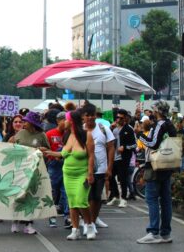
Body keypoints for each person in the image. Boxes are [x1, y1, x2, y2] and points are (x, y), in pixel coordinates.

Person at [45, 111, 95, 240]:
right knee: (72, 202)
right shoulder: (67, 135)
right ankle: (75, 229)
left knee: (81, 201)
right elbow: (62, 154)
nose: (64, 122)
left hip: (82, 174)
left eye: (66, 119)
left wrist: (90, 174)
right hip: (68, 173)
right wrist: (46, 152)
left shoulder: (86, 135)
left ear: (71, 121)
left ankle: (89, 226)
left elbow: (91, 157)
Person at [136, 100, 177, 244]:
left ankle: (153, 232)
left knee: (152, 198)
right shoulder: (170, 124)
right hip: (168, 164)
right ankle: (165, 233)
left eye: (154, 109)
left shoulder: (160, 125)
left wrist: (140, 135)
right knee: (166, 200)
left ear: (158, 111)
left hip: (154, 165)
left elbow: (152, 144)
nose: (152, 111)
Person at [9, 111, 49, 235]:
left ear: (32, 123)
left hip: (34, 170)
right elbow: (10, 148)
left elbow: (48, 150)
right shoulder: (20, 133)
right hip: (19, 169)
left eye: (25, 121)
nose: (23, 123)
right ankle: (15, 221)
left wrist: (44, 150)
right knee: (18, 195)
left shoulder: (41, 135)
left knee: (31, 196)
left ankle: (28, 223)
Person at [81, 102, 115, 236]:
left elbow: (111, 147)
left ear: (96, 116)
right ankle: (87, 222)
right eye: (87, 115)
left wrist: (110, 167)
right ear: (83, 117)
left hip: (101, 169)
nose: (90, 118)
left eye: (92, 115)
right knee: (86, 198)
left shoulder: (103, 129)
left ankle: (93, 222)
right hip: (84, 169)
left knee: (97, 198)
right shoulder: (80, 130)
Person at [45, 111, 69, 228]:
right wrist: (52, 157)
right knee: (53, 192)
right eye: (64, 120)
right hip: (54, 165)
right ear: (58, 121)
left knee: (66, 192)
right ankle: (52, 216)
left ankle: (67, 216)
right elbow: (46, 149)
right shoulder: (49, 134)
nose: (66, 122)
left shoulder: (70, 134)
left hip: (66, 164)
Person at [107, 109, 136, 208]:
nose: (118, 119)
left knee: (122, 178)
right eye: (117, 117)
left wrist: (125, 147)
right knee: (110, 176)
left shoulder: (129, 129)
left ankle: (123, 198)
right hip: (112, 157)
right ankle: (115, 196)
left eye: (121, 118)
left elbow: (134, 145)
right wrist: (110, 128)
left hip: (123, 158)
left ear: (125, 118)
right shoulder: (114, 128)